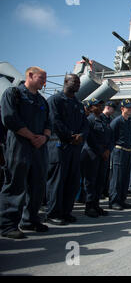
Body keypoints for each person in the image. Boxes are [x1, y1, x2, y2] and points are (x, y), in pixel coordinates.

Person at [0, 66, 51, 238]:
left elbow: (49, 124)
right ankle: (8, 226)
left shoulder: (42, 101)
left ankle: (30, 220)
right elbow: (9, 118)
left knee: (37, 185)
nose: (44, 82)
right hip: (20, 146)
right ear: (30, 75)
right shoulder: (13, 94)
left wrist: (43, 138)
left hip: (39, 148)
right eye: (41, 78)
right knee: (15, 184)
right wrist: (32, 137)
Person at [46, 74, 89, 226]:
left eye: (78, 82)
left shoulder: (78, 103)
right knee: (57, 181)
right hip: (59, 145)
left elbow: (85, 124)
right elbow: (54, 120)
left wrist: (81, 135)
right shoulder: (55, 100)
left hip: (75, 147)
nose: (77, 84)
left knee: (72, 181)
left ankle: (66, 212)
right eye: (74, 81)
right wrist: (71, 136)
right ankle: (53, 213)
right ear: (65, 82)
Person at [80, 98, 111, 217]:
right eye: (96, 106)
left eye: (100, 105)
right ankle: (89, 207)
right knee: (90, 181)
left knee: (100, 180)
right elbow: (91, 139)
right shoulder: (89, 120)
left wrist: (108, 149)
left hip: (103, 155)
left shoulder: (104, 120)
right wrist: (101, 151)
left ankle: (96, 205)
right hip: (91, 154)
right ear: (91, 108)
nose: (99, 107)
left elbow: (110, 136)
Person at [109, 99, 131, 210]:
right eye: (127, 107)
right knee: (117, 177)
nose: (130, 109)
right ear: (122, 109)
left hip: (128, 152)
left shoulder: (129, 122)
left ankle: (122, 200)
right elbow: (111, 137)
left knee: (125, 177)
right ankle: (114, 201)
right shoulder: (116, 121)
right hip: (119, 151)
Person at [100, 100, 116, 199]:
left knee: (106, 172)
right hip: (99, 150)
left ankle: (105, 190)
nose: (114, 111)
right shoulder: (100, 118)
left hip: (108, 150)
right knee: (99, 173)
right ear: (108, 107)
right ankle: (100, 191)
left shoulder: (110, 120)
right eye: (113, 109)